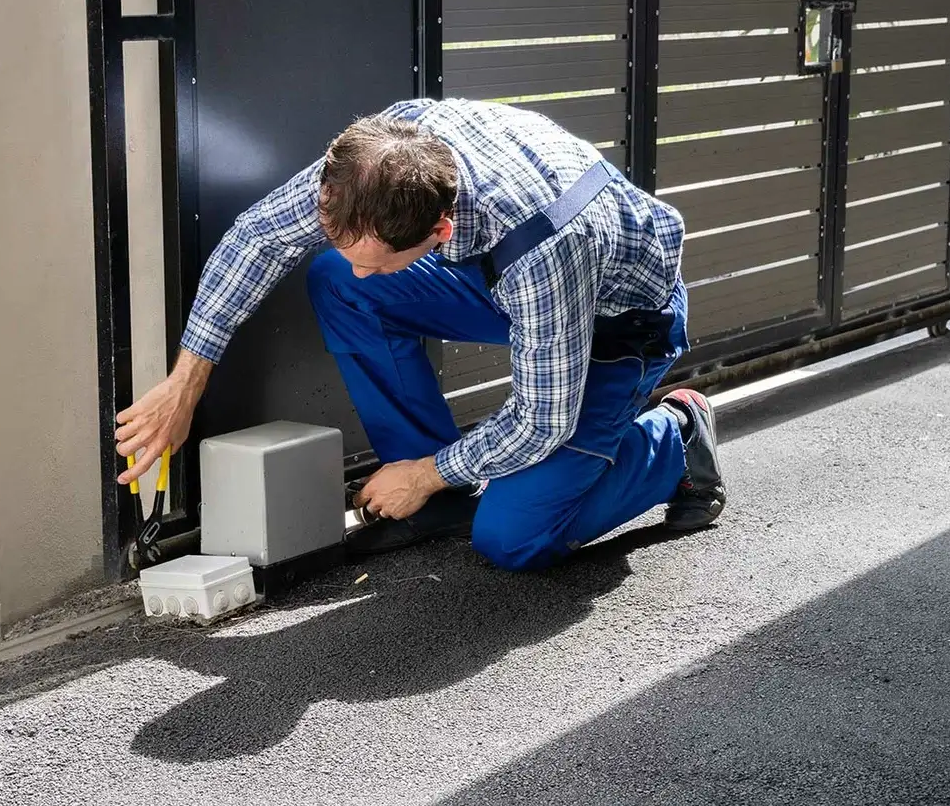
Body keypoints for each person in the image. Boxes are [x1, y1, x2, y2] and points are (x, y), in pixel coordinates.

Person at [114, 98, 726, 571]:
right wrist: (185, 382)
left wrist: (425, 473)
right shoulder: (380, 160)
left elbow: (543, 421)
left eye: (378, 260)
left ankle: (674, 441)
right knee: (336, 281)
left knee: (514, 539)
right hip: (516, 288)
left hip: (618, 322)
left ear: (437, 230)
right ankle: (440, 501)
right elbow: (258, 238)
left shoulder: (542, 243)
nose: (363, 269)